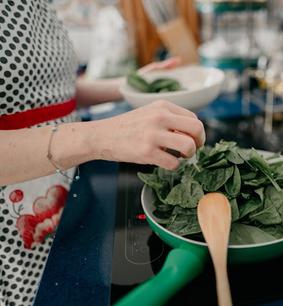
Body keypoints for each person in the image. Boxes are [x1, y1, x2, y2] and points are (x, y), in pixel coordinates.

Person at [0, 1, 205, 304]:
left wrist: (129, 85)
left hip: (71, 192)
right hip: (16, 227)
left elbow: (53, 91)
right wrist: (99, 137)